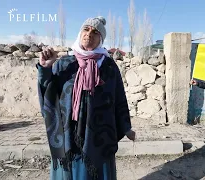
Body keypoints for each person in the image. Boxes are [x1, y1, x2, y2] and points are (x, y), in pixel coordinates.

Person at [36, 16, 135, 180]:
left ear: (101, 39)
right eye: (86, 29)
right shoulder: (64, 63)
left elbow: (119, 98)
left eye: (95, 32)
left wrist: (126, 126)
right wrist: (45, 70)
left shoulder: (109, 67)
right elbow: (49, 95)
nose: (89, 34)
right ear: (80, 32)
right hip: (68, 133)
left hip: (99, 135)